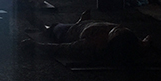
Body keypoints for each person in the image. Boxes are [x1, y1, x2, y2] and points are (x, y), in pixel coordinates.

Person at [23, 11, 151, 66]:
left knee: (53, 28)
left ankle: (44, 28)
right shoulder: (131, 39)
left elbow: (63, 48)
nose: (120, 27)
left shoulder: (92, 44)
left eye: (117, 31)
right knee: (79, 24)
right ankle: (81, 21)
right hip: (88, 25)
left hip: (70, 32)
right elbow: (146, 41)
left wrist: (37, 45)